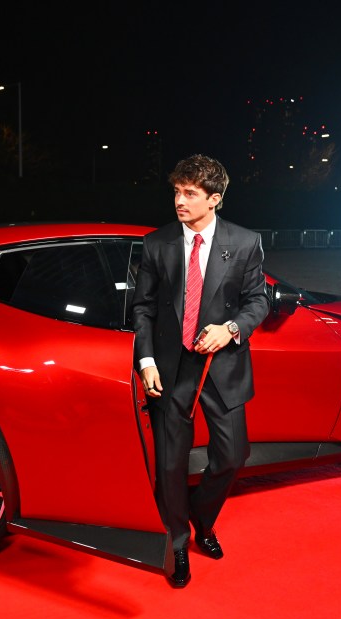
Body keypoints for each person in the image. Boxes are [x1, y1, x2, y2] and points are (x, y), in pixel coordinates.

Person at [131, 154, 269, 588]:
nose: (179, 200)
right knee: (170, 464)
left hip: (222, 365)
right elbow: (144, 308)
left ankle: (201, 518)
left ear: (215, 199)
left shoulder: (245, 243)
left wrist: (231, 329)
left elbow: (258, 302)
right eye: (176, 191)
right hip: (170, 369)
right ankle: (177, 540)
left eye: (190, 193)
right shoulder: (157, 244)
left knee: (232, 456)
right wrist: (146, 360)